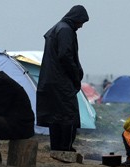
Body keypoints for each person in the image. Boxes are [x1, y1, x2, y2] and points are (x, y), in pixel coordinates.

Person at [36, 5, 89, 152]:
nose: (81, 26)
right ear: (76, 19)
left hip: (51, 80)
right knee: (68, 115)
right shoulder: (65, 30)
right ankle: (65, 148)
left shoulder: (57, 28)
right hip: (61, 81)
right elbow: (65, 55)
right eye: (81, 22)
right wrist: (75, 75)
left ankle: (56, 148)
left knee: (55, 117)